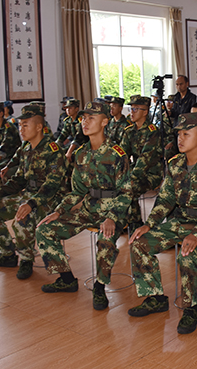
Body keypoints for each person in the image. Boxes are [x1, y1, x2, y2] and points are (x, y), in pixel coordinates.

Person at [128, 112, 197, 335]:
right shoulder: (174, 165)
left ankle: (190, 308)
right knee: (139, 243)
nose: (180, 139)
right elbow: (165, 199)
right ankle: (155, 297)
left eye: (186, 134)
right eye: (178, 134)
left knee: (188, 253)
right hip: (181, 221)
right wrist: (149, 223)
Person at [36, 101, 132, 308]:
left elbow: (126, 192)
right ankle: (67, 279)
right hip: (89, 209)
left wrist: (112, 218)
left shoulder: (117, 154)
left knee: (105, 240)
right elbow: (78, 191)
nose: (85, 122)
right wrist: (58, 211)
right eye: (83, 118)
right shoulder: (81, 154)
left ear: (104, 122)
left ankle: (100, 286)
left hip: (114, 210)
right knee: (44, 229)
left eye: (91, 118)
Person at [0, 104, 68, 280]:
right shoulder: (26, 148)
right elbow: (18, 179)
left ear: (39, 127)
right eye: (20, 125)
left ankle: (26, 259)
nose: (21, 129)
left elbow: (51, 186)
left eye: (25, 125)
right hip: (29, 195)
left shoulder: (53, 150)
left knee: (21, 220)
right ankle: (8, 254)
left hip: (50, 200)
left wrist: (31, 203)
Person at [120, 95, 163, 228]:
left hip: (151, 174)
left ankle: (136, 225)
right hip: (134, 171)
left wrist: (130, 178)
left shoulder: (153, 132)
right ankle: (123, 221)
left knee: (129, 188)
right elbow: (122, 156)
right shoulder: (129, 131)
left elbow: (145, 159)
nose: (131, 113)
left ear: (145, 112)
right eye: (131, 109)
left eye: (135, 109)